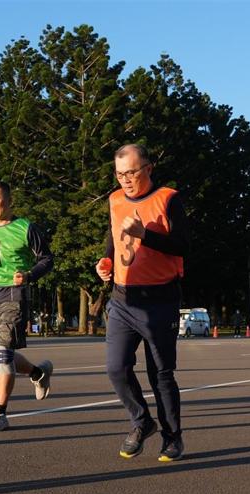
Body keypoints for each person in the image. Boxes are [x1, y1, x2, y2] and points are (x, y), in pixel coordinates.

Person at [96, 143, 189, 462]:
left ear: (148, 168)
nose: (126, 179)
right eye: (120, 174)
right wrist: (105, 260)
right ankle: (141, 421)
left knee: (160, 374)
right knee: (115, 368)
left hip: (160, 298)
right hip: (122, 298)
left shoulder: (168, 198)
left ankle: (172, 437)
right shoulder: (114, 199)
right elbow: (113, 236)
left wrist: (145, 235)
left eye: (132, 172)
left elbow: (182, 245)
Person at [0, 180, 55, 432]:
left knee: (4, 356)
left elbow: (47, 259)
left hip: (14, 296)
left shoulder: (25, 228)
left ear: (9, 200)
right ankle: (38, 372)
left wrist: (29, 274)